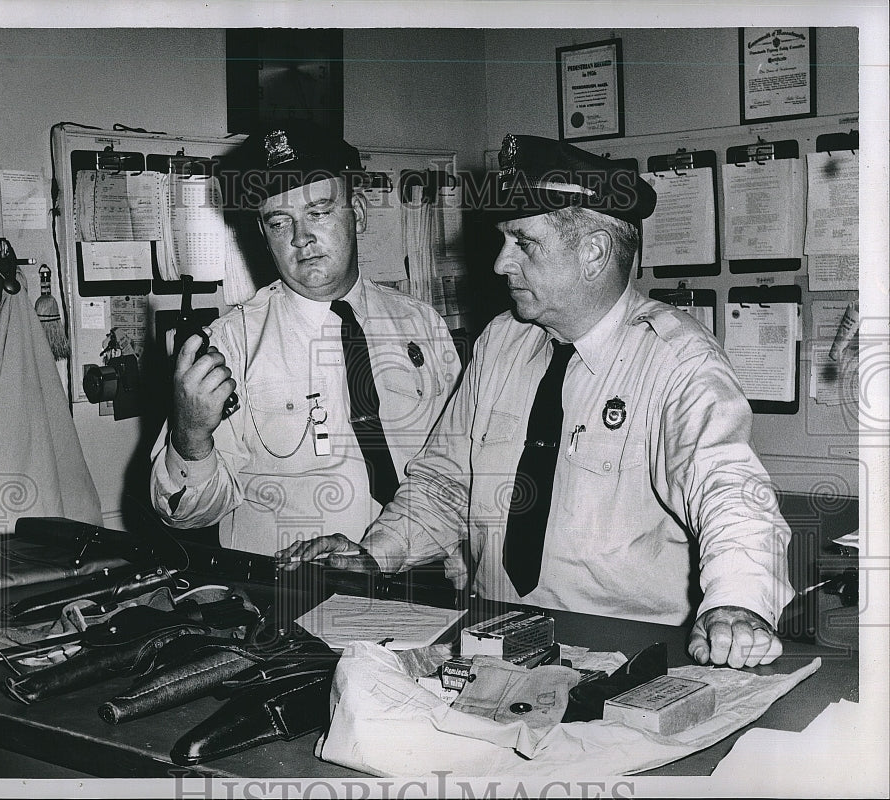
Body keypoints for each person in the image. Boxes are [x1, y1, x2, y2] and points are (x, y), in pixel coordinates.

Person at [278, 134, 796, 669]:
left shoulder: (676, 360)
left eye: (523, 242)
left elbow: (728, 489)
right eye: (504, 239)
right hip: (490, 641)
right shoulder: (501, 342)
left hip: (620, 656)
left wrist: (737, 600)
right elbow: (445, 483)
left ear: (593, 252)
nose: (501, 262)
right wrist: (376, 555)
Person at [150, 122, 459, 555]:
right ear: (263, 235)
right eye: (280, 222)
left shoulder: (422, 324)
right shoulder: (230, 346)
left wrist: (463, 549)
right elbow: (187, 513)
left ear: (360, 213)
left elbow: (460, 466)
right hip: (292, 594)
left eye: (319, 212)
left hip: (419, 579)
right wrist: (190, 434)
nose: (301, 238)